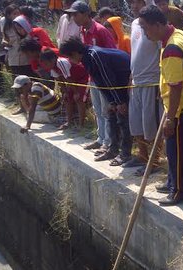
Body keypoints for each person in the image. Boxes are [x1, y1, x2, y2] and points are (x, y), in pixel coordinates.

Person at [139, 5, 183, 206]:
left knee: (178, 151)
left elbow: (176, 87)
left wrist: (170, 118)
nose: (144, 32)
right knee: (178, 148)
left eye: (145, 27)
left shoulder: (172, 49)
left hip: (181, 108)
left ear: (158, 25)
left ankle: (179, 192)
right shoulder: (178, 35)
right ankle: (172, 182)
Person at [60, 37, 132, 166]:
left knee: (122, 119)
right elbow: (100, 83)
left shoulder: (95, 55)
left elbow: (109, 79)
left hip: (124, 81)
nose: (70, 60)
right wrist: (111, 101)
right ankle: (113, 149)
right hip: (115, 86)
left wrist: (119, 101)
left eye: (69, 57)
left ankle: (125, 154)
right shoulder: (87, 58)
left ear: (75, 53)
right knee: (111, 115)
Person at [65, 0, 116, 153]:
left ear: (86, 14)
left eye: (76, 14)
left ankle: (109, 142)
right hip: (92, 76)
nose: (73, 17)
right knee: (98, 109)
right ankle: (101, 138)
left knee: (107, 110)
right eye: (72, 14)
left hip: (104, 77)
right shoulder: (82, 31)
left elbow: (112, 52)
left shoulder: (100, 30)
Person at [127, 0, 163, 173]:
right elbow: (134, 51)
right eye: (131, 2)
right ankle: (142, 155)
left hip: (151, 82)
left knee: (151, 124)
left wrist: (162, 84)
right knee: (136, 123)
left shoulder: (155, 27)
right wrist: (131, 77)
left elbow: (162, 54)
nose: (133, 5)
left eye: (137, 2)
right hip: (136, 81)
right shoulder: (135, 24)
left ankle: (155, 161)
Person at [39, 49, 88, 129]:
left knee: (79, 99)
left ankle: (81, 124)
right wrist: (65, 92)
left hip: (82, 78)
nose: (45, 66)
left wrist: (76, 92)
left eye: (46, 63)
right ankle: (68, 122)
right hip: (72, 81)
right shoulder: (52, 68)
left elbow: (68, 78)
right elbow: (60, 81)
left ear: (53, 59)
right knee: (67, 98)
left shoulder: (61, 62)